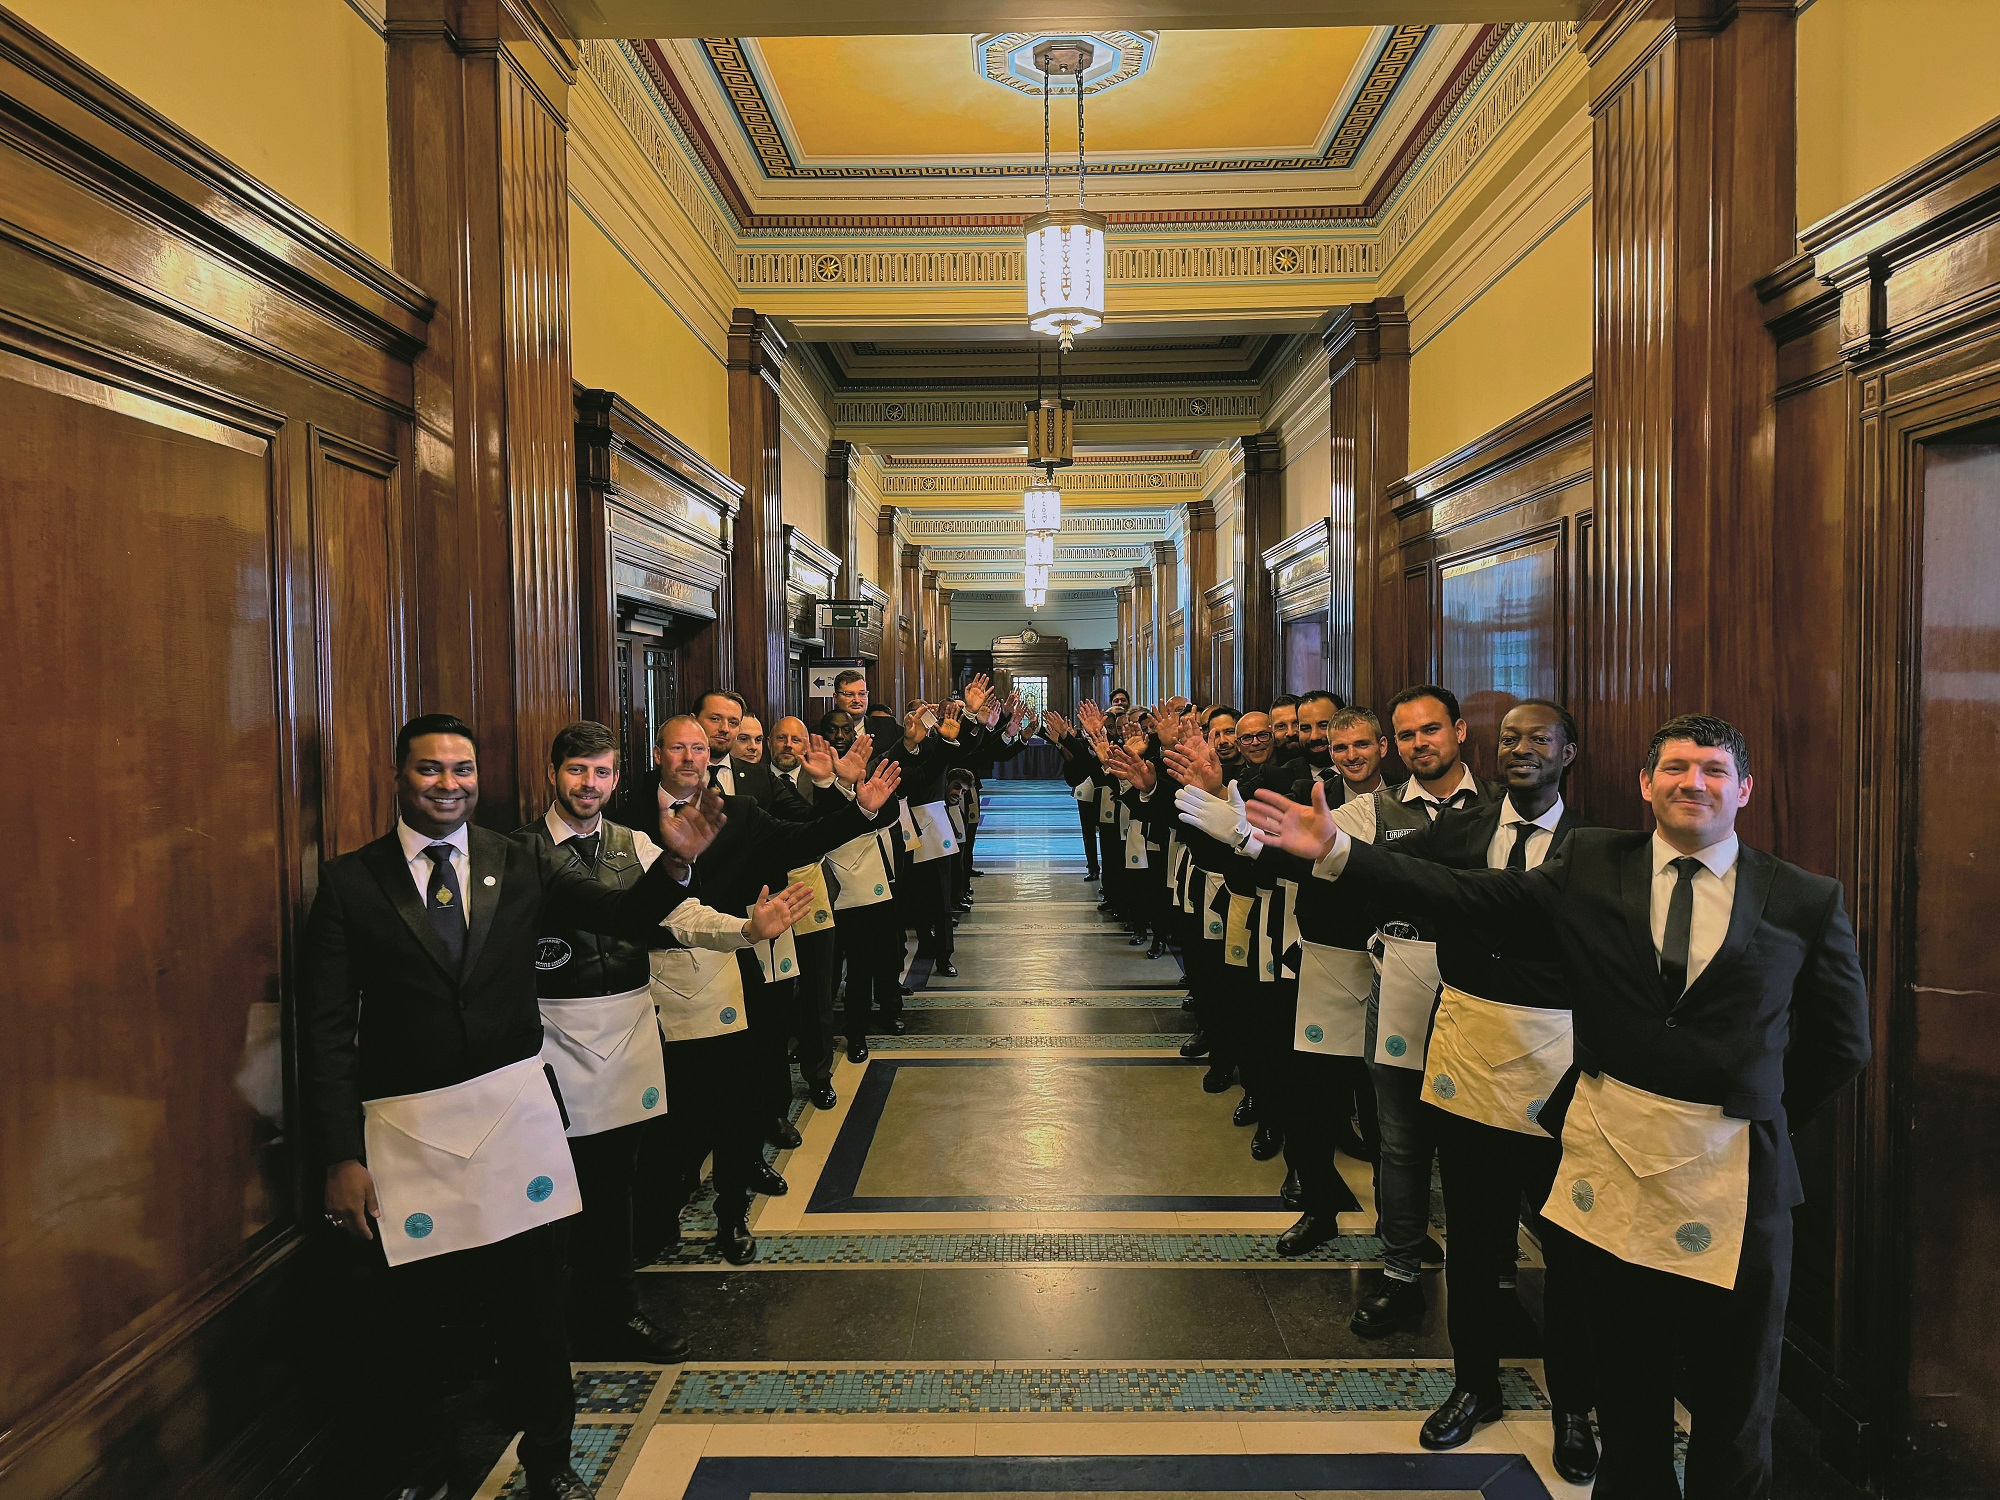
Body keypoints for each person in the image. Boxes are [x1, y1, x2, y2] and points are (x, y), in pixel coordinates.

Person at [1245, 713, 1871, 1499]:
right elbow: (1466, 893)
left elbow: (1841, 1045)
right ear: (1646, 785)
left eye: (1713, 769)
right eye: (1675, 767)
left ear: (1744, 789)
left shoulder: (1804, 900)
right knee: (1630, 1387)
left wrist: (1747, 1109)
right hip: (1609, 1156)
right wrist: (1337, 852)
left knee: (1735, 1405)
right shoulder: (1593, 865)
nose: (1693, 782)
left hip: (1737, 1178)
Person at [303, 713, 725, 1500]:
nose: (449, 784)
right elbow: (325, 1034)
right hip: (408, 1134)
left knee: (534, 1307)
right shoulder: (351, 883)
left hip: (513, 1120)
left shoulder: (517, 861)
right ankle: (422, 1464)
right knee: (413, 1319)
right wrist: (341, 1154)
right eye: (431, 770)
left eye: (462, 770)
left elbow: (617, 916)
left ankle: (551, 1461)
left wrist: (674, 864)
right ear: (399, 776)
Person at [519, 721, 812, 1363]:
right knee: (547, 1191)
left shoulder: (632, 844)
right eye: (576, 770)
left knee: (617, 1182)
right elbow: (610, 911)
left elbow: (683, 917)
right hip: (548, 1044)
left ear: (616, 778)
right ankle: (547, 1327)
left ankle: (617, 1311)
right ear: (553, 774)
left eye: (600, 772)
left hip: (626, 1035)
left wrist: (746, 927)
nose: (588, 784)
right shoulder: (521, 853)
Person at [634, 713, 900, 1265]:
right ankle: (658, 1217)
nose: (689, 759)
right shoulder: (626, 815)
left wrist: (856, 805)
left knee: (739, 1100)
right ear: (657, 753)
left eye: (699, 749)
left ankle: (731, 1216)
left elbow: (806, 839)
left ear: (712, 756)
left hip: (735, 969)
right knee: (669, 1112)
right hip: (653, 985)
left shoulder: (738, 812)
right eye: (677, 748)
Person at [766, 715, 843, 1113]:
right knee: (774, 989)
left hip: (811, 884)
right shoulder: (754, 782)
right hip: (764, 893)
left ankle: (819, 1074)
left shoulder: (818, 778)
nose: (789, 746)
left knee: (817, 988)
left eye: (796, 739)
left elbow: (832, 823)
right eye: (782, 738)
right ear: (769, 742)